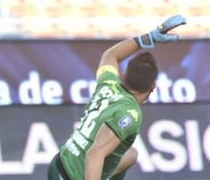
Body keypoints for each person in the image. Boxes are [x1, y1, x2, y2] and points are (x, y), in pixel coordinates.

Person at [48, 15, 187, 180]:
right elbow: (95, 154)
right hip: (70, 177)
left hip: (59, 164)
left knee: (130, 155)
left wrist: (149, 37)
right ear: (152, 87)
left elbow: (111, 55)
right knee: (103, 152)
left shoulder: (108, 82)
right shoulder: (130, 114)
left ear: (122, 75)